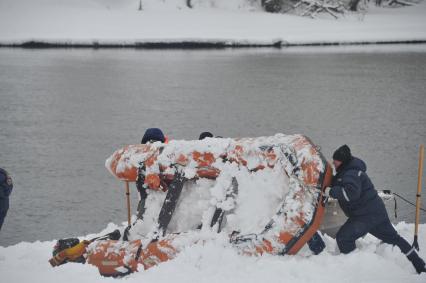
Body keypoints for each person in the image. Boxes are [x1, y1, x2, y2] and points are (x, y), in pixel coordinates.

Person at [324, 145, 426, 274]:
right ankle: (420, 265)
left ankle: (352, 270)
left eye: (336, 160)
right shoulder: (348, 171)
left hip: (365, 216)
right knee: (395, 238)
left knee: (344, 237)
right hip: (376, 212)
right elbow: (339, 181)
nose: (333, 162)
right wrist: (329, 183)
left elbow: (351, 193)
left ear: (343, 161)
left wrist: (331, 191)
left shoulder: (351, 173)